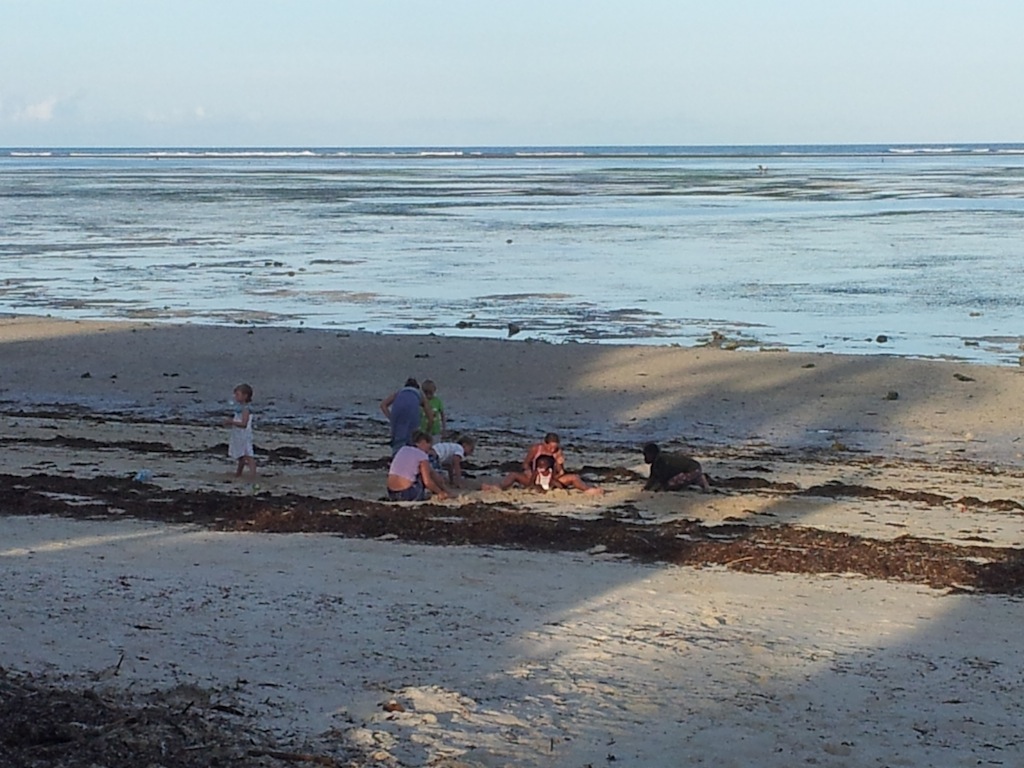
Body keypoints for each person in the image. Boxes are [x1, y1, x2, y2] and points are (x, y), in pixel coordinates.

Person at [485, 432, 602, 495]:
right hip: (534, 477)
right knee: (513, 475)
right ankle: (498, 487)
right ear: (545, 444)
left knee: (574, 477)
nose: (552, 450)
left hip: (552, 478)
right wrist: (528, 471)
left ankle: (588, 490)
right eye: (551, 447)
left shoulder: (558, 452)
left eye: (555, 447)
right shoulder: (536, 449)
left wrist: (560, 464)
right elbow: (525, 463)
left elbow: (560, 472)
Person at [386, 431, 449, 501]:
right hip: (406, 493)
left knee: (428, 470)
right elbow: (427, 482)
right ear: (424, 442)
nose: (428, 451)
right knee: (425, 473)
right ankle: (443, 492)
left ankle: (445, 491)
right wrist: (440, 492)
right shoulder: (422, 455)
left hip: (392, 493)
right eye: (429, 447)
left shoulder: (403, 449)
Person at [380, 378, 434, 455]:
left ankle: (396, 457)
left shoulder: (400, 392)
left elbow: (383, 405)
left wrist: (391, 418)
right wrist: (427, 431)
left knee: (397, 437)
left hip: (397, 412)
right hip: (412, 412)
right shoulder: (419, 394)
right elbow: (430, 417)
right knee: (412, 438)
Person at [642, 442, 711, 492]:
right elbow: (653, 477)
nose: (645, 458)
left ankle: (699, 479)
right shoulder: (659, 460)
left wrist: (659, 488)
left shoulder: (660, 460)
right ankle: (699, 478)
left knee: (670, 484)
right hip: (694, 467)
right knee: (679, 478)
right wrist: (647, 487)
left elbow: (663, 477)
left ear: (652, 454)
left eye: (646, 455)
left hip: (691, 470)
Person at [224, 383, 256, 479]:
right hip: (239, 434)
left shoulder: (246, 408)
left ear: (245, 396)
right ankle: (238, 473)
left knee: (248, 455)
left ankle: (253, 475)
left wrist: (231, 422)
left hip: (244, 435)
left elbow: (244, 424)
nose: (235, 397)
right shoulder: (240, 407)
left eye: (237, 394)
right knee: (241, 455)